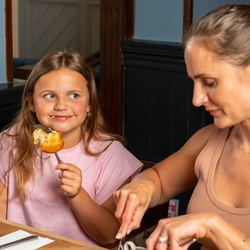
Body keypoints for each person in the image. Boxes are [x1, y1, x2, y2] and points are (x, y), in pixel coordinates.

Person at [113, 4, 250, 250]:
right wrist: (142, 187)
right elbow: (160, 180)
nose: (196, 99)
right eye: (194, 82)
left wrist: (211, 226)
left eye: (209, 82)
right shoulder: (211, 139)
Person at [0, 49, 142, 246]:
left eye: (74, 95)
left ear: (90, 103)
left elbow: (110, 236)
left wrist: (77, 194)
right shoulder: (11, 141)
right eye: (49, 95)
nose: (61, 105)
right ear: (31, 102)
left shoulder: (111, 154)